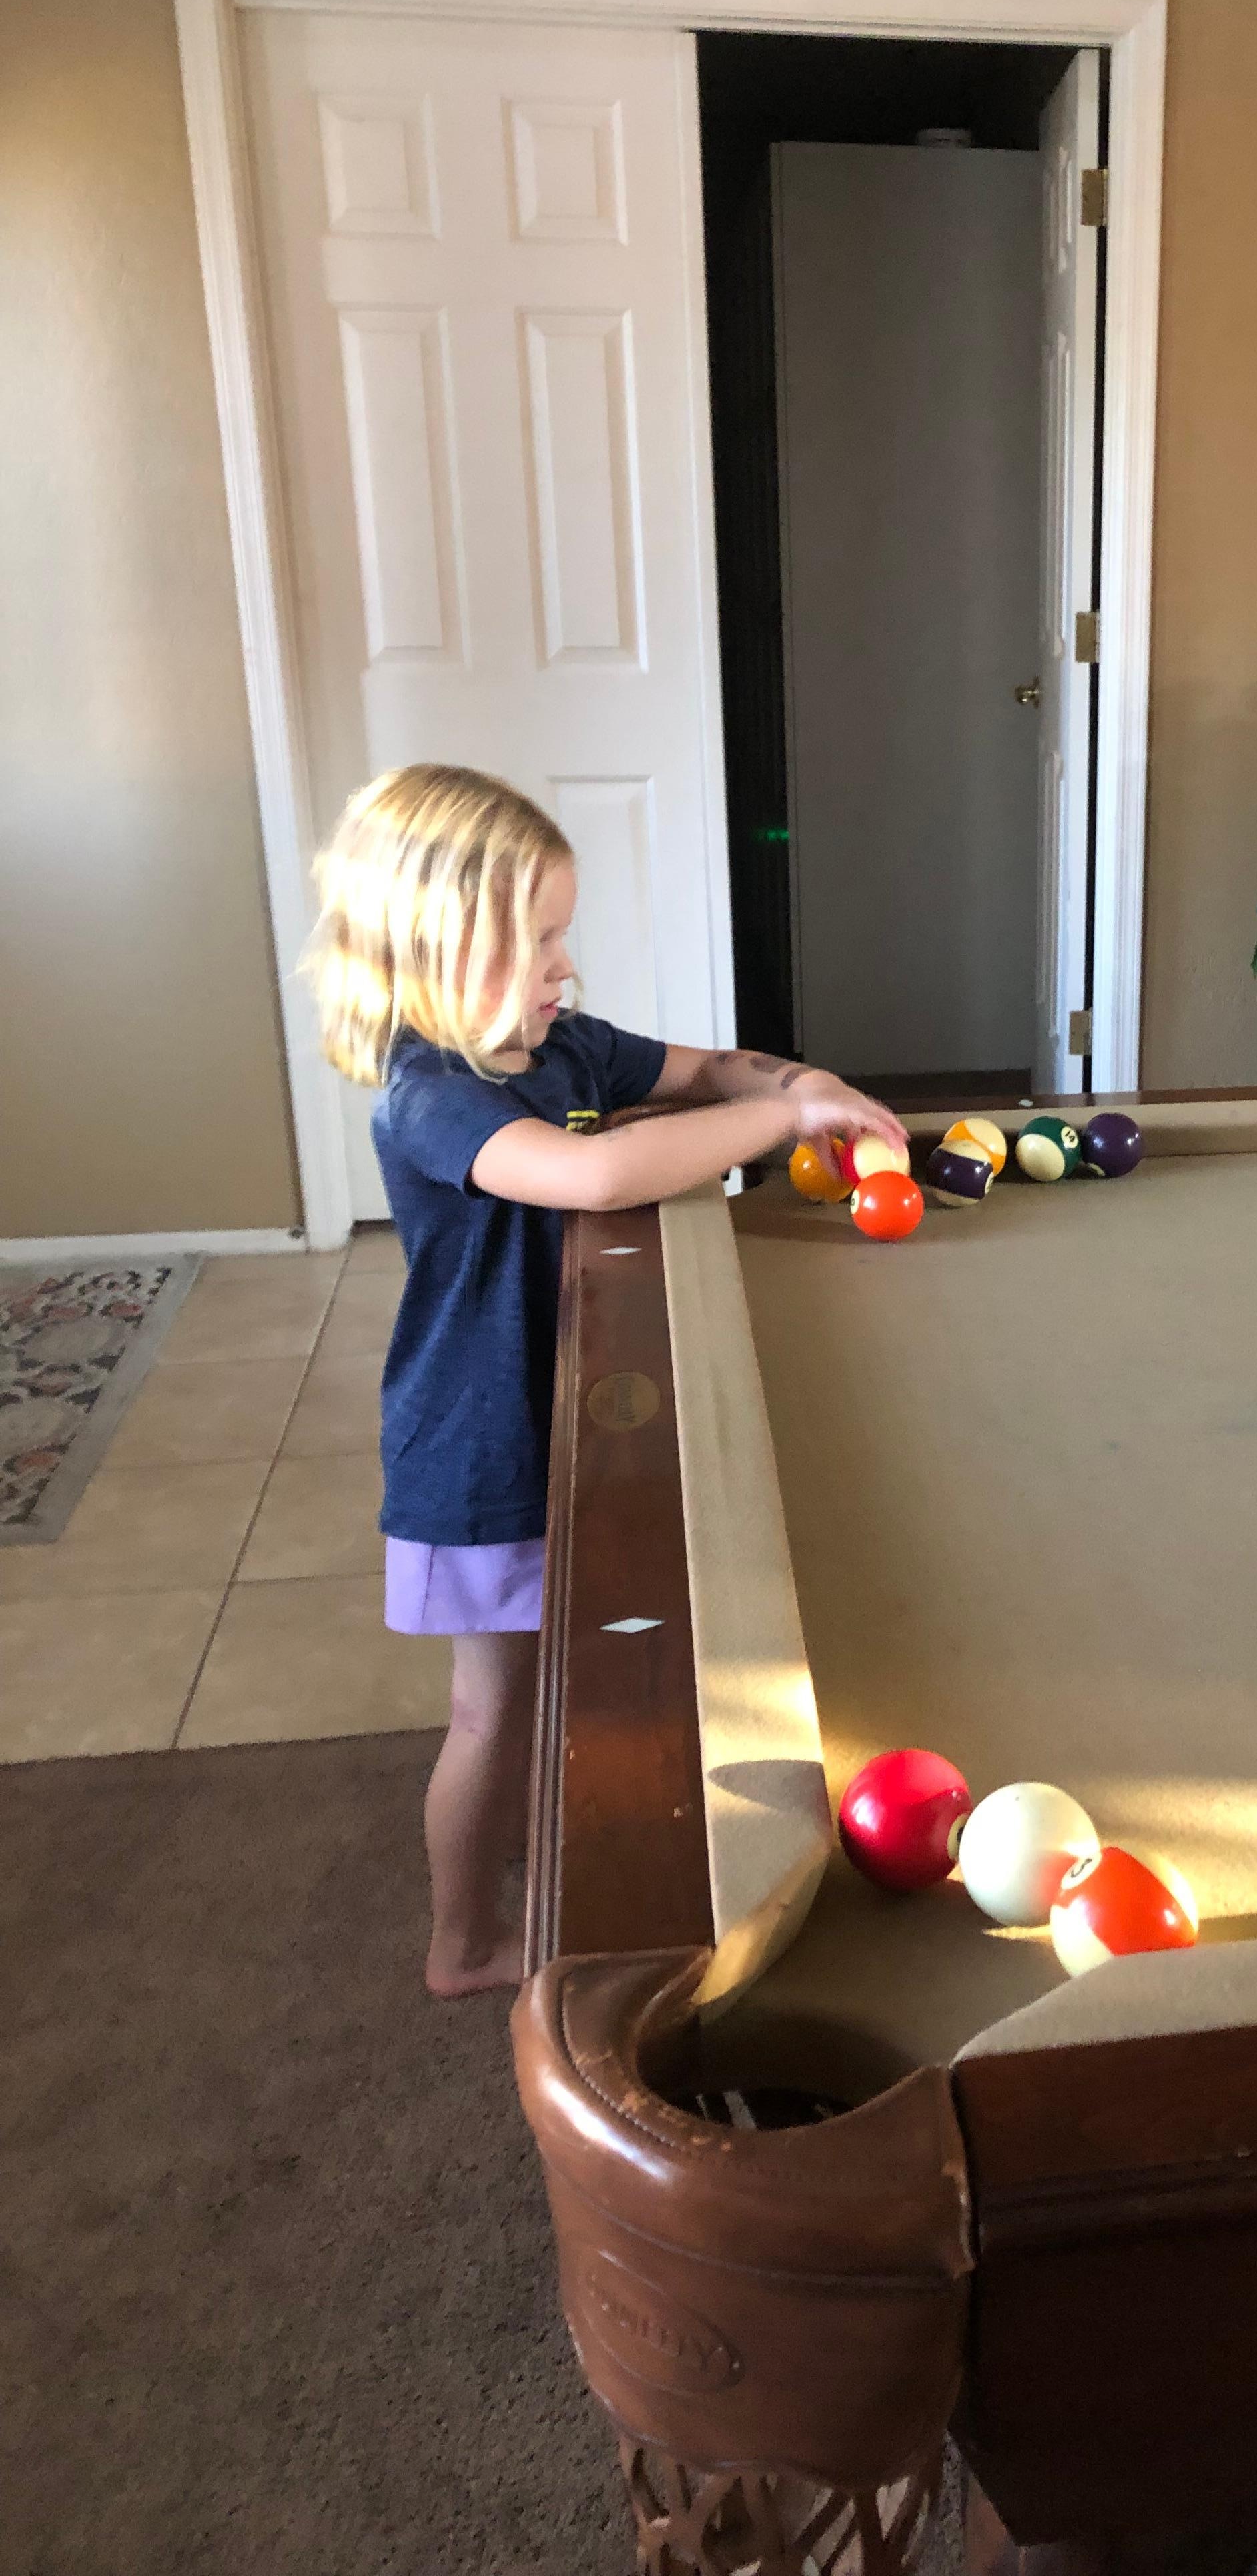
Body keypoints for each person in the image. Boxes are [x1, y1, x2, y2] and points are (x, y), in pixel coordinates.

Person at [308, 762, 905, 1996]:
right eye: (533, 941)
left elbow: (706, 1069)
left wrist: (801, 1084)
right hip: (480, 1452)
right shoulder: (431, 1097)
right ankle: (463, 1942)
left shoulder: (566, 1049)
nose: (563, 967)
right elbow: (597, 1177)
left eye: (560, 934)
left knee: (573, 1687)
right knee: (494, 1710)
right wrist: (780, 1127)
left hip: (573, 1422)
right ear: (438, 946)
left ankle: (574, 1867)